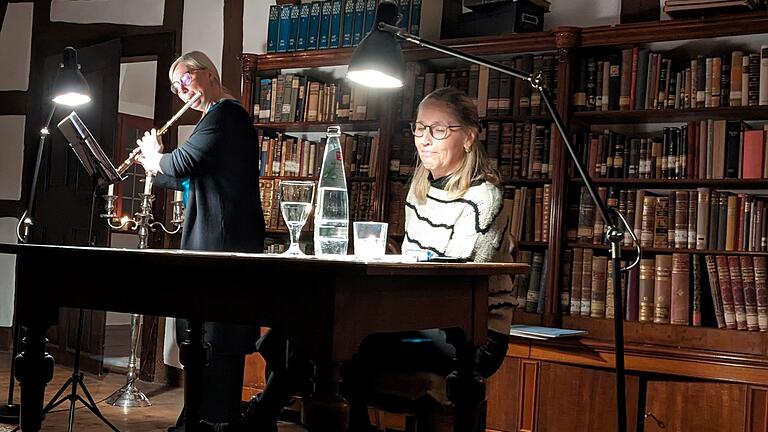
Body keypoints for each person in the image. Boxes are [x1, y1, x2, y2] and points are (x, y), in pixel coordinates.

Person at [344, 86, 517, 430]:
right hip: (419, 320)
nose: (424, 139)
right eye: (419, 128)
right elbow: (416, 260)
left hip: (472, 333)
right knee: (322, 338)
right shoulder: (419, 190)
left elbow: (457, 278)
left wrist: (407, 268)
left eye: (438, 130)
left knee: (346, 344)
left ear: (468, 137)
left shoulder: (484, 196)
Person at [136, 50, 265, 431]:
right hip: (212, 236)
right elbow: (189, 176)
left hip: (221, 241)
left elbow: (179, 165)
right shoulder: (215, 119)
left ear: (208, 74)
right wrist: (152, 165)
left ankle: (212, 418)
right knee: (200, 334)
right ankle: (197, 416)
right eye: (175, 87)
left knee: (217, 335)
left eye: (185, 80)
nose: (180, 91)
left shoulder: (226, 115)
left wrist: (156, 156)